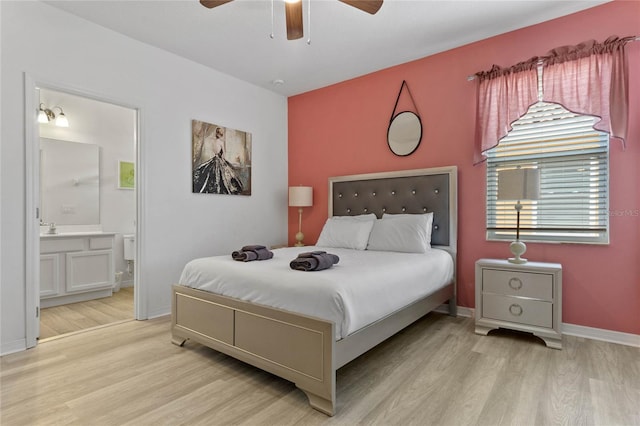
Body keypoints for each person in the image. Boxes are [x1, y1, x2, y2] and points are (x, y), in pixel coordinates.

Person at [193, 126, 243, 194]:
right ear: (221, 134)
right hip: (220, 159)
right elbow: (224, 153)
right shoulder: (221, 142)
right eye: (222, 133)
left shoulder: (214, 142)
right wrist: (224, 160)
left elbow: (215, 151)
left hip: (215, 159)